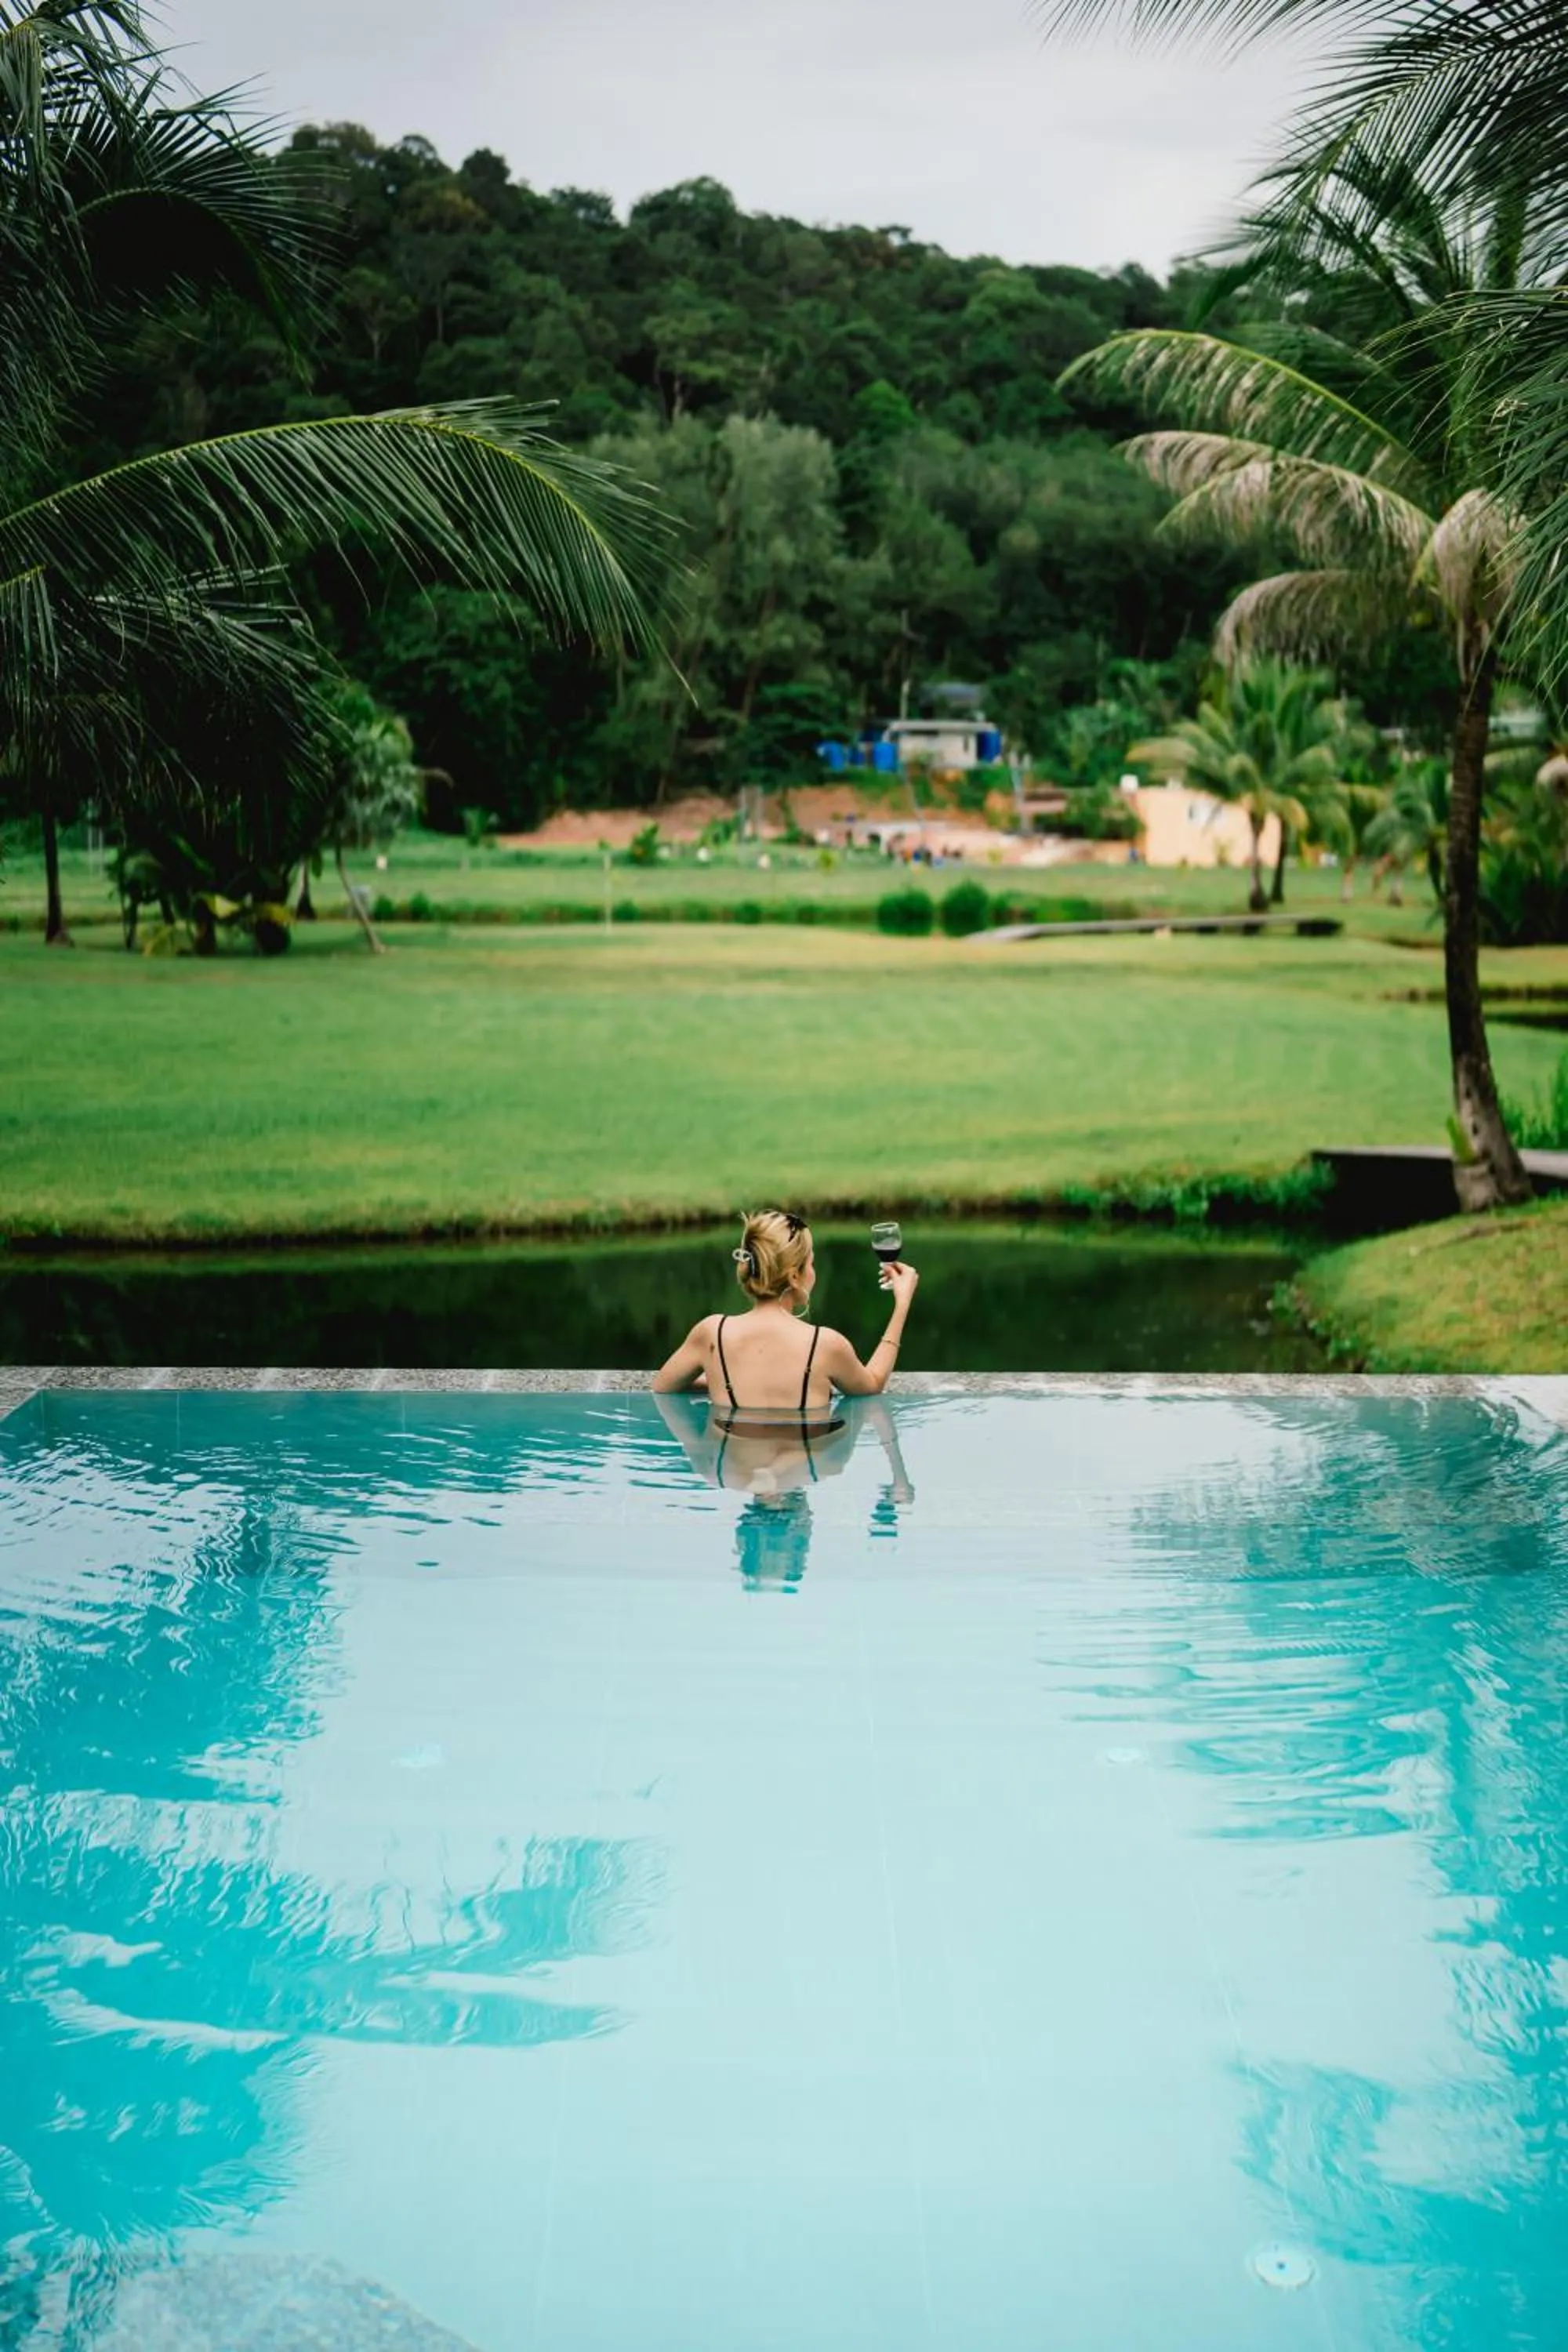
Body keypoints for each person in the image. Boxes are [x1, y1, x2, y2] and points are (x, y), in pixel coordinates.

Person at [652, 1207, 918, 1427]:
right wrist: (902, 1304)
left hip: (733, 1470)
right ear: (794, 1276)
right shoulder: (825, 1344)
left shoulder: (712, 1333)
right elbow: (872, 1384)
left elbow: (664, 1387)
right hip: (804, 1466)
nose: (814, 1272)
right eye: (811, 1263)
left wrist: (726, 1379)